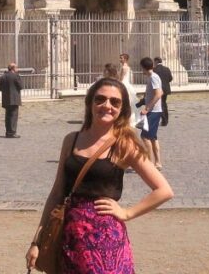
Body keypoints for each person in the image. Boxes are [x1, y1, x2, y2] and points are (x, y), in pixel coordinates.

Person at [25, 78, 173, 273]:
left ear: (122, 108)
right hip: (69, 236)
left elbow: (164, 190)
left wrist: (127, 213)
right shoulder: (71, 140)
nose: (107, 105)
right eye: (100, 99)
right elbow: (57, 192)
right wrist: (37, 240)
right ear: (90, 103)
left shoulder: (124, 144)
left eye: (115, 102)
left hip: (105, 240)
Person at [138, 57, 165, 170]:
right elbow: (161, 92)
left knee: (144, 137)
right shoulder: (152, 77)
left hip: (153, 111)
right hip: (154, 110)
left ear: (144, 67)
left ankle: (149, 163)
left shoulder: (153, 77)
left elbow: (158, 94)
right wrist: (142, 101)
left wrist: (147, 108)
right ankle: (158, 163)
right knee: (153, 137)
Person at [0, 62, 23, 138]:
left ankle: (8, 132)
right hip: (14, 99)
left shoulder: (3, 76)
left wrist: (5, 91)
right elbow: (21, 86)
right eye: (16, 68)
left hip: (6, 99)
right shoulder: (16, 76)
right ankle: (12, 132)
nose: (17, 69)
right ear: (13, 68)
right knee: (14, 116)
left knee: (8, 116)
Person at [118, 53, 142, 128]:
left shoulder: (124, 67)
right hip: (127, 83)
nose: (120, 59)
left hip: (124, 84)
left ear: (125, 59)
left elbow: (121, 78)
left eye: (121, 58)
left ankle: (127, 118)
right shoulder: (127, 67)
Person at [153, 57, 173, 126]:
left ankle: (164, 119)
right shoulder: (167, 69)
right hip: (166, 89)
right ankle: (165, 119)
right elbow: (170, 78)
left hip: (159, 89)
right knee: (164, 103)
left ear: (156, 61)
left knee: (160, 104)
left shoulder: (154, 70)